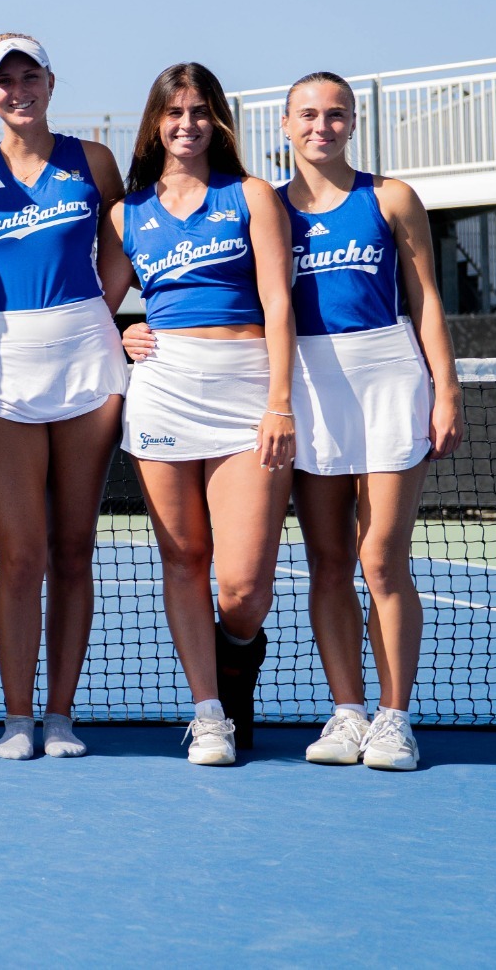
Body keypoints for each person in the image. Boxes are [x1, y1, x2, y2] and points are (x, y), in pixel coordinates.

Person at [132, 72, 462, 769]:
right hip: (307, 385)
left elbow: (426, 297)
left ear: (351, 121)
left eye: (335, 114)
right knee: (328, 563)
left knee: (381, 559)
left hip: (384, 374)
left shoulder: (390, 197)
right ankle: (347, 711)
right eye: (308, 115)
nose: (322, 126)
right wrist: (127, 328)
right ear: (284, 125)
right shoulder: (267, 206)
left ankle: (394, 716)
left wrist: (447, 390)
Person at [0, 33, 132, 760]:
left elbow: (129, 242)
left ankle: (60, 715)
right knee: (20, 554)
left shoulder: (94, 160)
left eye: (30, 76)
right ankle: (17, 716)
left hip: (87, 357)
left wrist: (107, 315)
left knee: (74, 548)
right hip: (3, 365)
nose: (18, 89)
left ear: (50, 82)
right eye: (3, 80)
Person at [101, 64, 294, 767]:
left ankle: (237, 656)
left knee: (243, 586)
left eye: (200, 112)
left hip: (248, 392)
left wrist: (280, 400)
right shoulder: (127, 213)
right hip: (165, 389)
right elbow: (97, 305)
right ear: (155, 122)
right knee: (183, 557)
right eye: (174, 111)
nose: (187, 124)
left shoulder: (251, 196)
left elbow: (279, 303)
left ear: (218, 122)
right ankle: (209, 712)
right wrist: (122, 331)